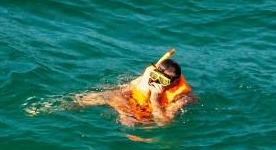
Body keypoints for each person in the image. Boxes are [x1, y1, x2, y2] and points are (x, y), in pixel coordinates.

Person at [28, 50, 195, 127]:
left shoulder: (182, 97)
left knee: (130, 125)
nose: (156, 82)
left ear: (173, 83)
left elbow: (163, 123)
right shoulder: (151, 74)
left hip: (148, 113)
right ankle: (54, 108)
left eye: (162, 81)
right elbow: (129, 88)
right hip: (131, 101)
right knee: (95, 97)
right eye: (155, 77)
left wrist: (155, 100)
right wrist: (119, 97)